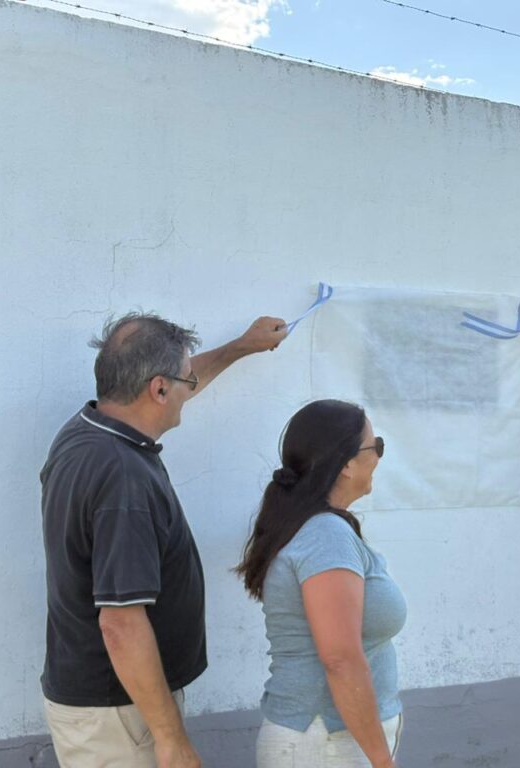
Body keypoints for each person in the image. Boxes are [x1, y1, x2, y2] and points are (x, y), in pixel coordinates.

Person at [40, 311, 286, 768]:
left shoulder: (85, 431)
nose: (189, 389)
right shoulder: (122, 480)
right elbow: (121, 624)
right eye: (184, 381)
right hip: (120, 714)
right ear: (157, 389)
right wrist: (171, 738)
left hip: (111, 703)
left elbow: (179, 381)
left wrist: (240, 347)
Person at [236, 400, 406, 768]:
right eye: (375, 445)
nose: (379, 456)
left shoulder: (318, 527)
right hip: (328, 743)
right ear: (346, 464)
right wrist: (382, 760)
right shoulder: (325, 535)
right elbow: (341, 660)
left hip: (332, 739)